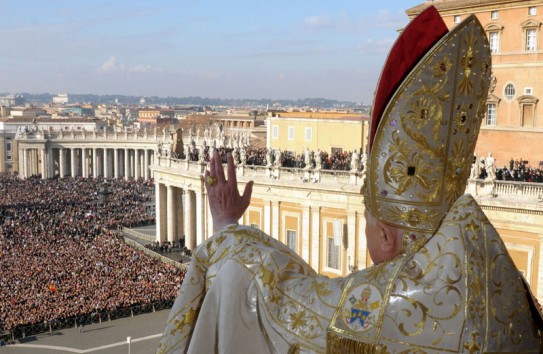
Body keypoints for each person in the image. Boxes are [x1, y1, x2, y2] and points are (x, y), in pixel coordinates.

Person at [158, 6, 542, 353]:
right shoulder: (500, 283)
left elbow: (276, 299)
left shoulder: (384, 306)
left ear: (388, 237)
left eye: (369, 222)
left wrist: (226, 226)